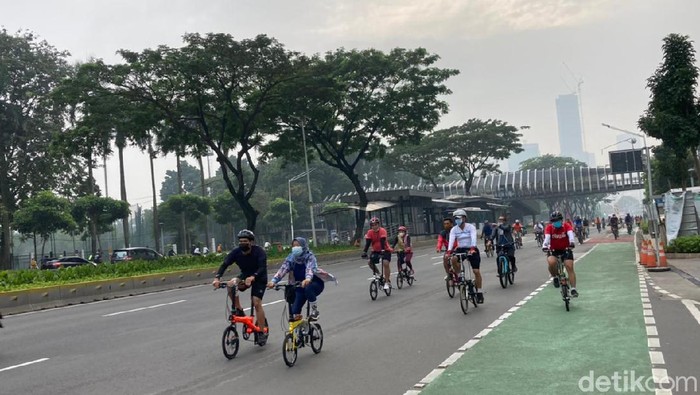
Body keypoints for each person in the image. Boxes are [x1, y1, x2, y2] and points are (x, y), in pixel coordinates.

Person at [213, 229, 269, 343]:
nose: (242, 243)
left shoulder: (259, 252)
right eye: (241, 241)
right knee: (230, 284)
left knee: (256, 303)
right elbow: (224, 264)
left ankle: (262, 331)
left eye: (245, 241)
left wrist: (253, 277)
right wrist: (217, 278)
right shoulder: (236, 252)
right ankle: (239, 309)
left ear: (251, 242)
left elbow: (262, 267)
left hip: (259, 277)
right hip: (245, 275)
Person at [268, 237, 336, 320]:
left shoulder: (309, 257)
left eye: (298, 246)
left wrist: (308, 279)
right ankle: (300, 329)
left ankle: (314, 311)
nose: (295, 248)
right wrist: (273, 281)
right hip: (300, 286)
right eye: (293, 246)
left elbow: (310, 269)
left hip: (314, 284)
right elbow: (283, 270)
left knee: (308, 289)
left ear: (303, 246)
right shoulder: (291, 258)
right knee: (294, 311)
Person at [446, 209, 484, 303]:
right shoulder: (454, 229)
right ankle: (459, 277)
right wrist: (449, 251)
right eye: (455, 218)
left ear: (464, 218)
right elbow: (451, 240)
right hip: (461, 248)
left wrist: (472, 248)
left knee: (476, 271)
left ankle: (479, 292)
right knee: (454, 259)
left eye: (459, 218)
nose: (457, 220)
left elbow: (473, 238)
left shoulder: (470, 227)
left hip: (471, 248)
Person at [542, 210, 578, 297]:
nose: (556, 222)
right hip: (553, 250)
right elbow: (547, 238)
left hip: (566, 249)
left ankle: (573, 289)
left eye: (557, 220)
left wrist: (572, 243)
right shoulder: (549, 228)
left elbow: (570, 235)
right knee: (551, 262)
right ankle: (555, 277)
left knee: (569, 267)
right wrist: (544, 245)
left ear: (561, 220)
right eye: (554, 221)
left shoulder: (566, 226)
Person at [361, 217, 393, 290]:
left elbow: (382, 241)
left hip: (385, 249)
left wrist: (382, 250)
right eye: (372, 225)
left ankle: (387, 282)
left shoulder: (382, 231)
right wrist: (364, 252)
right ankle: (379, 274)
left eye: (376, 224)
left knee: (385, 263)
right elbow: (368, 243)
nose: (374, 226)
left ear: (378, 225)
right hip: (375, 250)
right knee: (370, 262)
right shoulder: (370, 232)